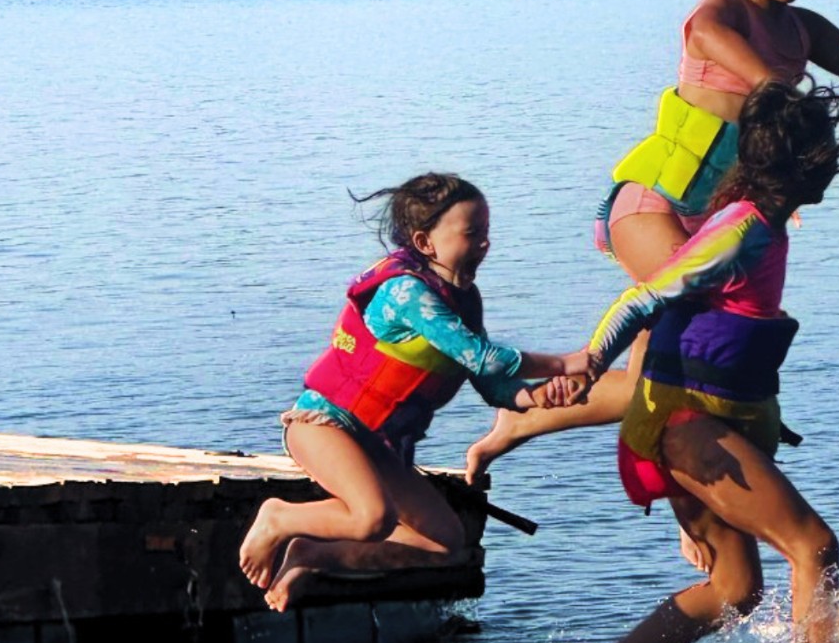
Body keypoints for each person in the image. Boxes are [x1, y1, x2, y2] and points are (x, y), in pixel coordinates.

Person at [466, 0, 839, 487]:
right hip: (654, 201)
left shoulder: (805, 29)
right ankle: (688, 474)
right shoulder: (718, 13)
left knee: (653, 379)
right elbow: (738, 62)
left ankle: (530, 421)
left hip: (721, 219)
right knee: (698, 336)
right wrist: (788, 113)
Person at [532, 80, 839, 643]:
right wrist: (591, 362)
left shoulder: (763, 224)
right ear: (801, 167)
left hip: (705, 422)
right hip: (686, 426)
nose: (832, 165)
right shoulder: (740, 232)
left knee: (735, 588)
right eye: (824, 154)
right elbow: (644, 297)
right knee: (813, 546)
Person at [239, 172, 590, 612]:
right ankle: (278, 517)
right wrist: (564, 362)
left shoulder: (464, 297)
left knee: (443, 541)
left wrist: (538, 396)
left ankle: (313, 555)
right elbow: (481, 357)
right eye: (472, 233)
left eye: (486, 231)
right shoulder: (406, 291)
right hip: (324, 422)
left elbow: (491, 382)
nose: (485, 243)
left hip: (375, 442)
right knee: (372, 518)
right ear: (425, 242)